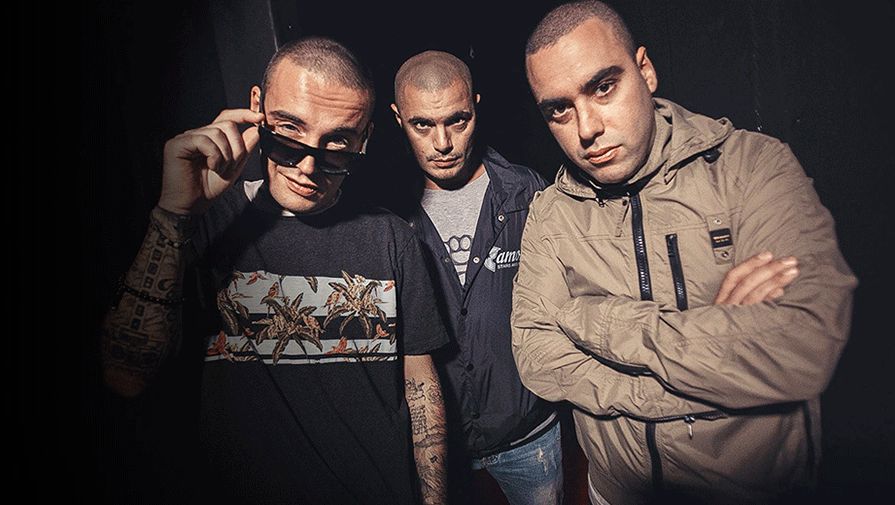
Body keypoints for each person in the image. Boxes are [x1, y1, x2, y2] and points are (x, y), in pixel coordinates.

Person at [511, 2, 857, 504]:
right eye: (559, 110)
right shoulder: (551, 212)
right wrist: (712, 353)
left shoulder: (752, 167)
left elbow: (803, 343)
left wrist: (591, 320)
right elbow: (538, 358)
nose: (586, 129)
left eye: (603, 87)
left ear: (645, 70)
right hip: (616, 493)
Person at [101, 36, 450, 505]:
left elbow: (420, 383)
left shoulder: (391, 237)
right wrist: (174, 215)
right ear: (257, 108)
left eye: (337, 144)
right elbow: (124, 376)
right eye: (288, 132)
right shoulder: (200, 227)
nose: (307, 166)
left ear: (364, 137)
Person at [389, 50, 562, 505]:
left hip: (529, 436)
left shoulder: (527, 191)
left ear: (476, 108)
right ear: (398, 119)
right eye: (422, 125)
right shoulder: (385, 215)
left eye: (457, 120)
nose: (442, 142)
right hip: (437, 447)